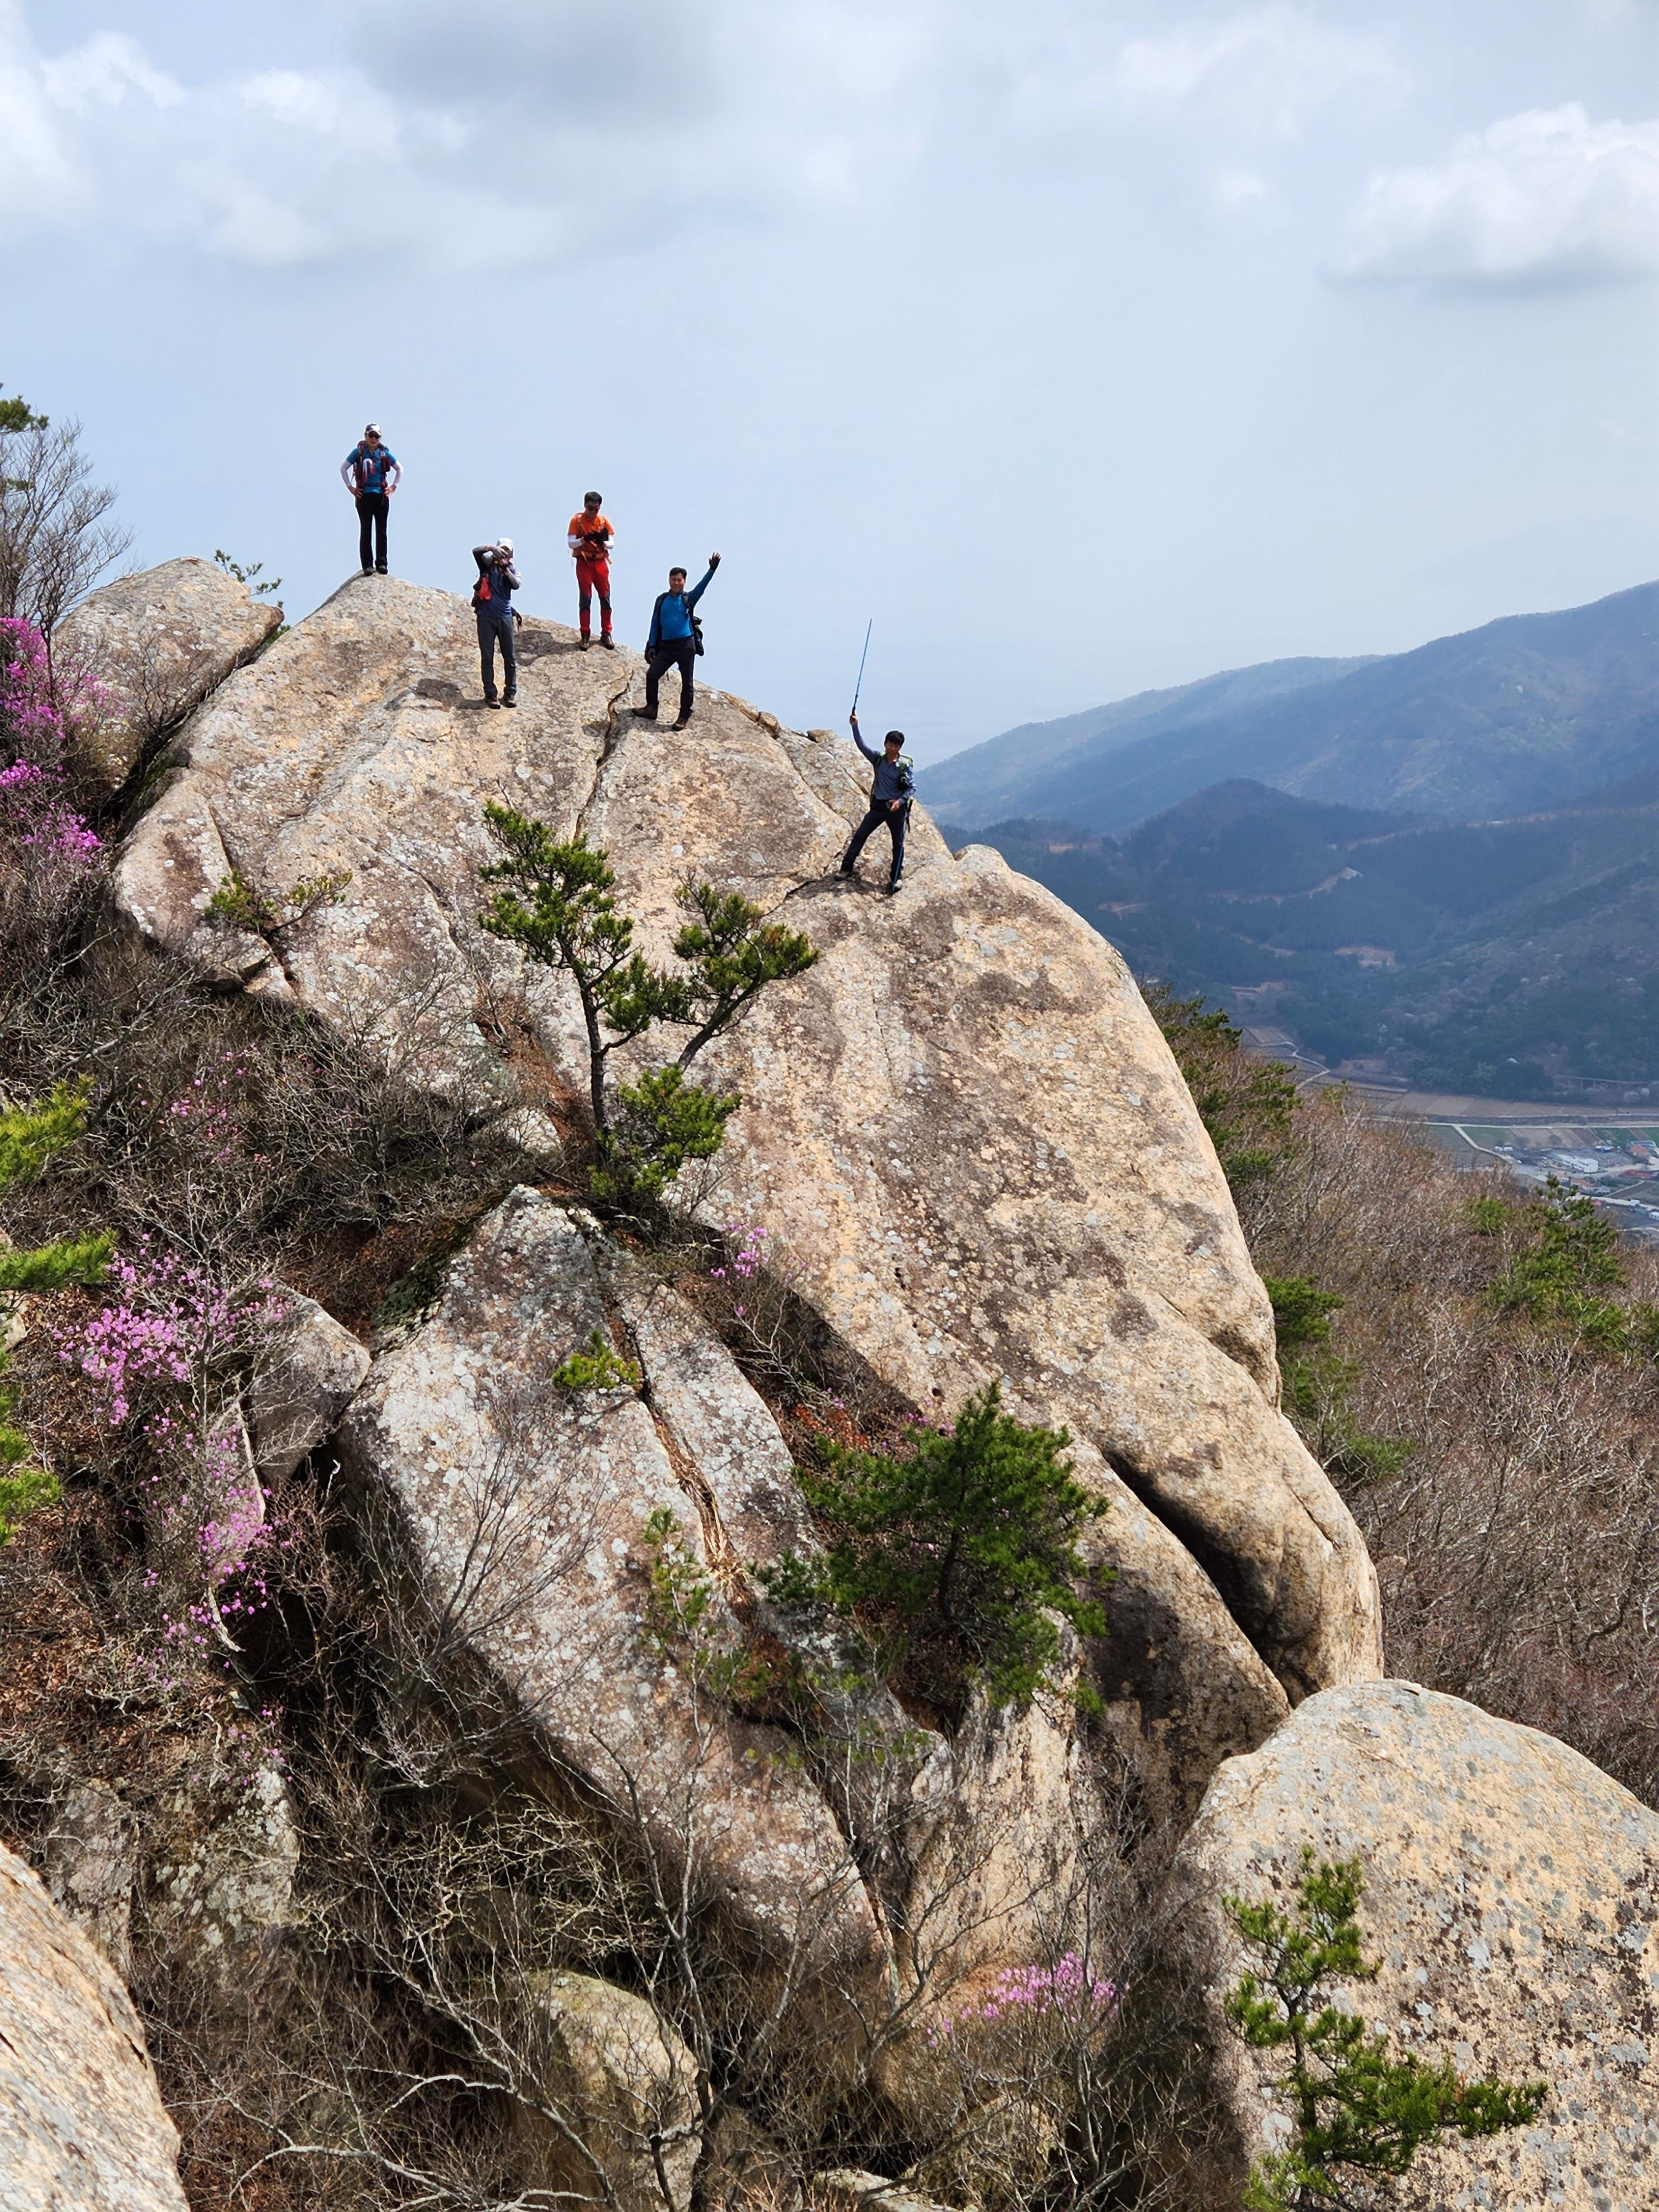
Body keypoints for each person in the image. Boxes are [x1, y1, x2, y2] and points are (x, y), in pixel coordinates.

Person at [635, 555, 720, 729]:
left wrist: (712, 570)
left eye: (679, 580)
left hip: (685, 646)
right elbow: (655, 622)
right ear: (669, 580)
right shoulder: (662, 600)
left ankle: (684, 715)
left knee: (687, 682)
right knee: (652, 675)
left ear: (684, 582)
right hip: (666, 647)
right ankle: (652, 707)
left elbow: (702, 587)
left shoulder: (688, 599)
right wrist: (652, 645)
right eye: (673, 580)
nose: (676, 583)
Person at [841, 714, 914, 894]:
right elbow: (862, 746)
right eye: (890, 744)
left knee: (898, 844)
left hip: (896, 809)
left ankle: (896, 878)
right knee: (861, 834)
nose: (893, 748)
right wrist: (855, 726)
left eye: (896, 746)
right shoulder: (878, 759)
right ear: (885, 744)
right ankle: (846, 868)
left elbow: (912, 788)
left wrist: (900, 802)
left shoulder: (904, 765)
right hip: (879, 807)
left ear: (900, 748)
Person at [341, 424, 400, 575]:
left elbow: (399, 469)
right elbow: (343, 468)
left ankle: (382, 564)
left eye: (377, 436)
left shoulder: (384, 453)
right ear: (366, 436)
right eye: (371, 435)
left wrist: (393, 487)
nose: (374, 439)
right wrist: (351, 488)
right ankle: (367, 565)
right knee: (366, 530)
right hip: (364, 496)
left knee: (382, 531)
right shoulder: (359, 452)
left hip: (381, 496)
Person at [472, 539, 521, 707]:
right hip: (486, 616)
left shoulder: (513, 570)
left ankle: (510, 693)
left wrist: (506, 570)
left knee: (510, 657)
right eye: (502, 550)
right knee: (487, 656)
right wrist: (491, 548)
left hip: (505, 617)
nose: (504, 554)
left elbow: (516, 585)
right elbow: (475, 552)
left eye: (507, 551)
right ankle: (490, 693)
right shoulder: (487, 565)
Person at [566, 492, 615, 649]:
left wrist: (603, 541)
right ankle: (585, 634)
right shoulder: (577, 521)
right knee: (585, 598)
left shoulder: (603, 521)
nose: (593, 512)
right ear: (585, 506)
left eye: (596, 509)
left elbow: (612, 543)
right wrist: (584, 539)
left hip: (600, 562)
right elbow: (571, 543)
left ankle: (606, 633)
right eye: (590, 508)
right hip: (585, 562)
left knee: (605, 598)